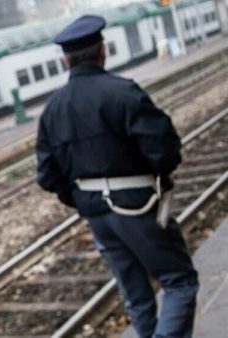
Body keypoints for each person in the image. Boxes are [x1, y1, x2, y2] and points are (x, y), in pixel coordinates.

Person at [36, 15, 198, 338]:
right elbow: (164, 148)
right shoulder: (122, 93)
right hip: (137, 205)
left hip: (98, 216)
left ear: (64, 60)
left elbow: (47, 174)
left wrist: (84, 198)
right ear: (102, 51)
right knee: (179, 281)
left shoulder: (52, 110)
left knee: (136, 294)